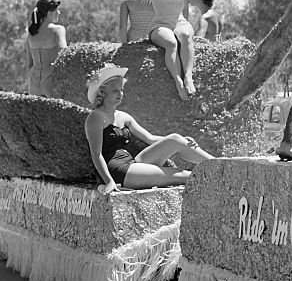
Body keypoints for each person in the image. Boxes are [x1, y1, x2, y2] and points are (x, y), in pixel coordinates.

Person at [84, 64, 216, 192]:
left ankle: (219, 164)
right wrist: (109, 181)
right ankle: (219, 175)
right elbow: (96, 154)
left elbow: (150, 139)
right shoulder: (95, 117)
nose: (120, 93)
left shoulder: (124, 116)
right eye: (115, 90)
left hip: (132, 163)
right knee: (183, 175)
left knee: (175, 139)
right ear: (102, 92)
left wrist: (183, 141)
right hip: (117, 172)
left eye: (121, 90)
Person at [26, 0, 67, 97]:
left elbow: (29, 65)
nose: (59, 12)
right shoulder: (58, 30)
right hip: (50, 83)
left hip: (33, 85)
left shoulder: (31, 34)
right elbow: (65, 54)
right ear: (49, 12)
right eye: (56, 10)